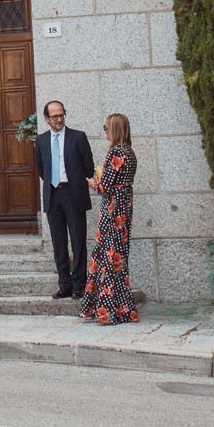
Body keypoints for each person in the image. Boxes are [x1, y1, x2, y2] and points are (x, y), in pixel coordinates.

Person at [77, 113, 139, 325]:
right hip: (124, 207)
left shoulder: (116, 152)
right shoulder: (130, 152)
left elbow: (106, 186)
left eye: (106, 127)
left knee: (108, 256)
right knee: (118, 257)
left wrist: (94, 182)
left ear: (115, 129)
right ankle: (123, 311)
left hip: (113, 210)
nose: (104, 131)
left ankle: (107, 312)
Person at [34, 99, 94, 300]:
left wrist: (77, 182)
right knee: (59, 242)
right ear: (46, 119)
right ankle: (64, 284)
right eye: (55, 117)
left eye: (61, 115)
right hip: (53, 194)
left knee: (78, 240)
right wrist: (53, 182)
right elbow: (41, 168)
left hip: (73, 193)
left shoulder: (78, 137)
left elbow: (88, 165)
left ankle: (79, 284)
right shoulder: (41, 141)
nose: (59, 119)